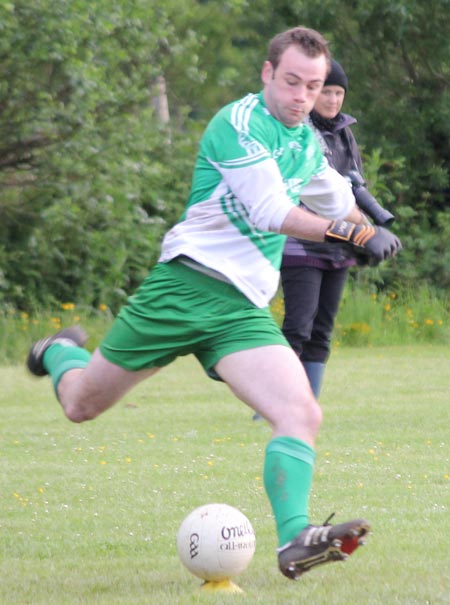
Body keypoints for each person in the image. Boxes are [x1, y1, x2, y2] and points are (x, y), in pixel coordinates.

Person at [26, 27, 401, 581]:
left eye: (313, 85)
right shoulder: (239, 123)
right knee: (81, 404)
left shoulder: (306, 144)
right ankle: (58, 352)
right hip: (184, 288)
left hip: (240, 311)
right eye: (291, 82)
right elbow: (272, 211)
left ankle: (296, 536)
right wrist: (351, 238)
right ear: (268, 74)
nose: (301, 96)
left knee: (300, 412)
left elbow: (338, 202)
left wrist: (372, 232)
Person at [280, 59, 395, 398]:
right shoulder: (298, 133)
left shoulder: (345, 132)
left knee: (322, 332)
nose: (332, 100)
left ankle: (308, 401)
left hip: (341, 244)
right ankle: (276, 398)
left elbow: (353, 188)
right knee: (298, 327)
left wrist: (367, 233)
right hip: (301, 244)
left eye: (338, 92)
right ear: (312, 92)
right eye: (326, 91)